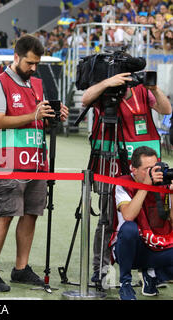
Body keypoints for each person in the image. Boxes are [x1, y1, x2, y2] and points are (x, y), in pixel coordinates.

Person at [0, 34, 69, 292]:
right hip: (9, 162)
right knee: (5, 214)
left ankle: (21, 268)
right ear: (16, 57)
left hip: (37, 162)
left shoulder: (37, 84)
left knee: (31, 214)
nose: (33, 68)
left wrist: (54, 115)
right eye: (29, 63)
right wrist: (34, 114)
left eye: (36, 64)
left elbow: (40, 122)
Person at [81, 62, 172, 286]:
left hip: (145, 169)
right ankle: (101, 269)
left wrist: (154, 89)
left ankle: (149, 269)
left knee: (153, 215)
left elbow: (166, 110)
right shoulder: (106, 91)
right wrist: (107, 83)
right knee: (107, 219)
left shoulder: (142, 89)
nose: (129, 78)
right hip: (110, 167)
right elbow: (85, 99)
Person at [110, 146, 173, 300]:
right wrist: (146, 185)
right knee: (129, 229)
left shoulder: (164, 183)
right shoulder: (123, 183)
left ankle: (153, 274)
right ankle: (125, 284)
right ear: (134, 169)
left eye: (155, 167)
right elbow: (129, 215)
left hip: (158, 244)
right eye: (147, 169)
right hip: (131, 249)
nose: (154, 172)